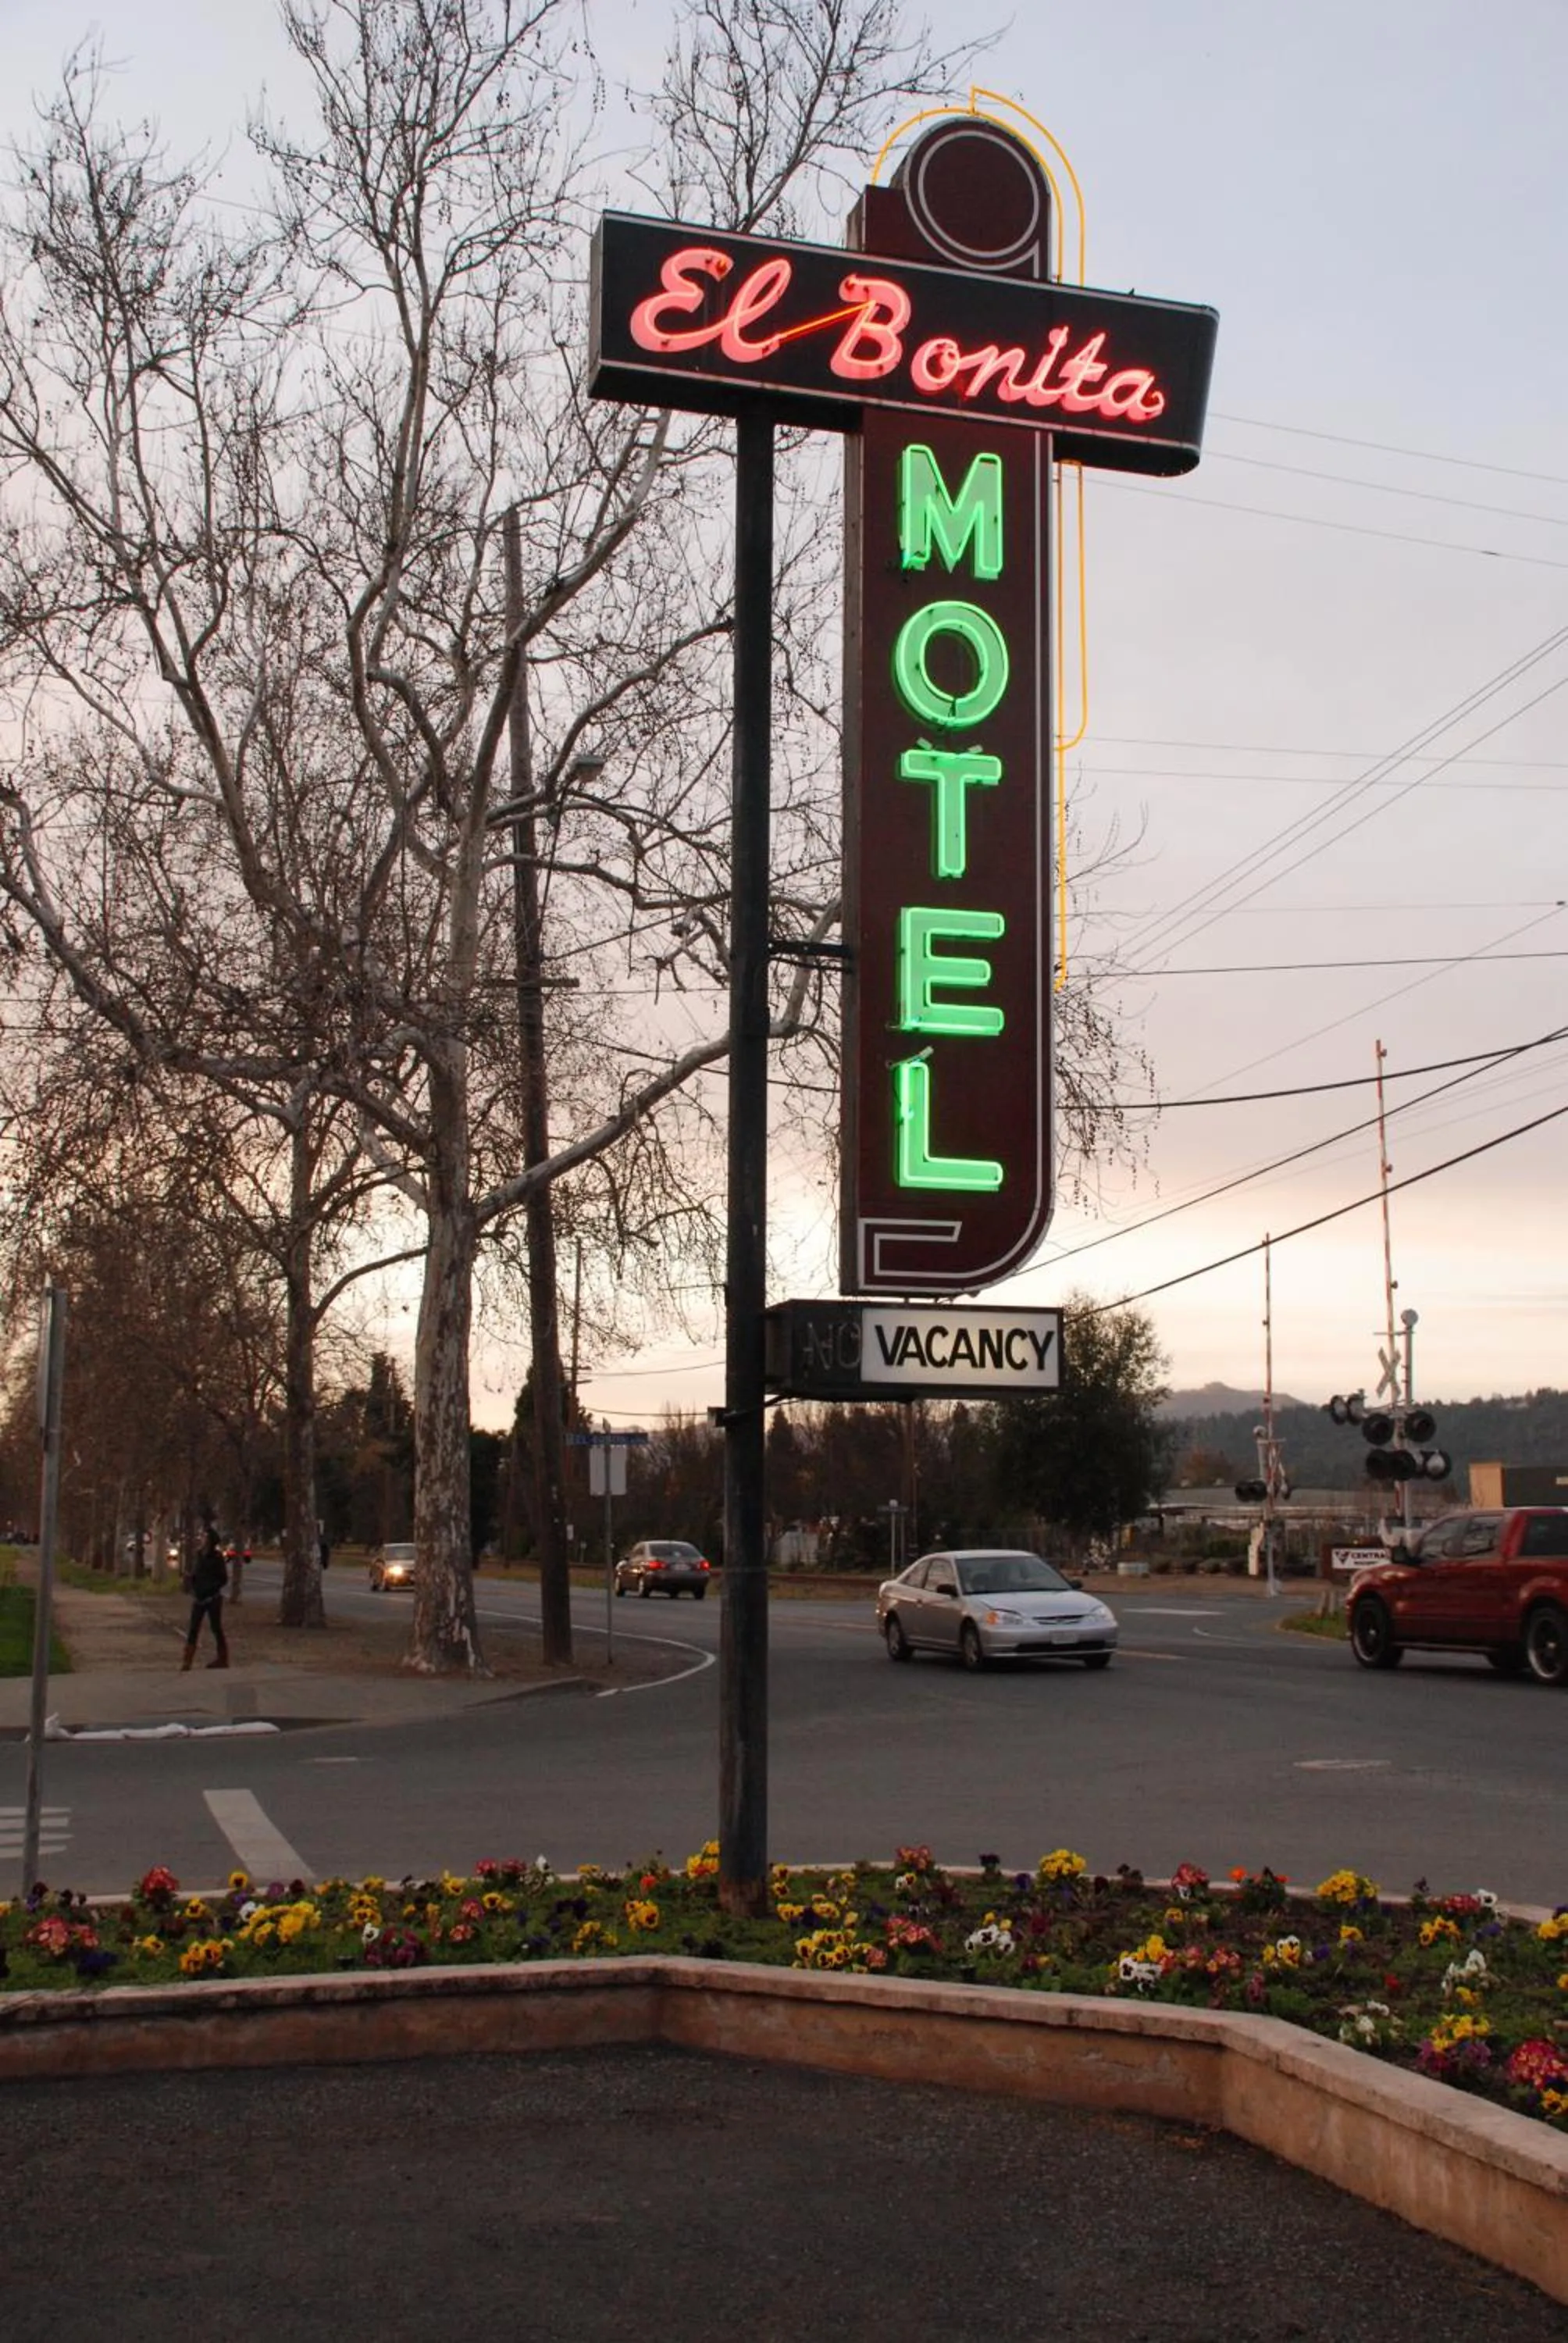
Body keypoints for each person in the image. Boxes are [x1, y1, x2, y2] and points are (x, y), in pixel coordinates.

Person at [182, 1514, 230, 1671]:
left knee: (216, 1627)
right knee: (193, 1628)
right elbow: (197, 1573)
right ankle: (187, 1661)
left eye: (204, 1536)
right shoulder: (199, 1555)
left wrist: (210, 1588)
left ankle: (223, 1658)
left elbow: (223, 1579)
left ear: (209, 1540)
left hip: (213, 1599)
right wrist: (191, 1580)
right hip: (199, 1598)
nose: (201, 1538)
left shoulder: (216, 1558)